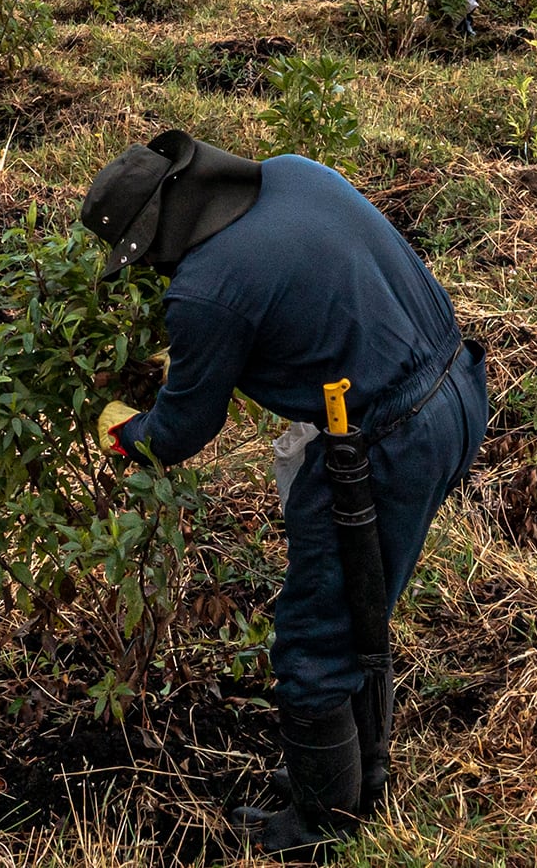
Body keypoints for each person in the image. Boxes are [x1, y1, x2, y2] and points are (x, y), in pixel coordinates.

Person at [81, 131, 488, 858]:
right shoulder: (293, 173)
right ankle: (353, 776)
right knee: (361, 608)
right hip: (457, 388)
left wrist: (117, 431)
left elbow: (177, 431)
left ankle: (321, 828)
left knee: (314, 636)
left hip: (383, 443)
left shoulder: (206, 292)